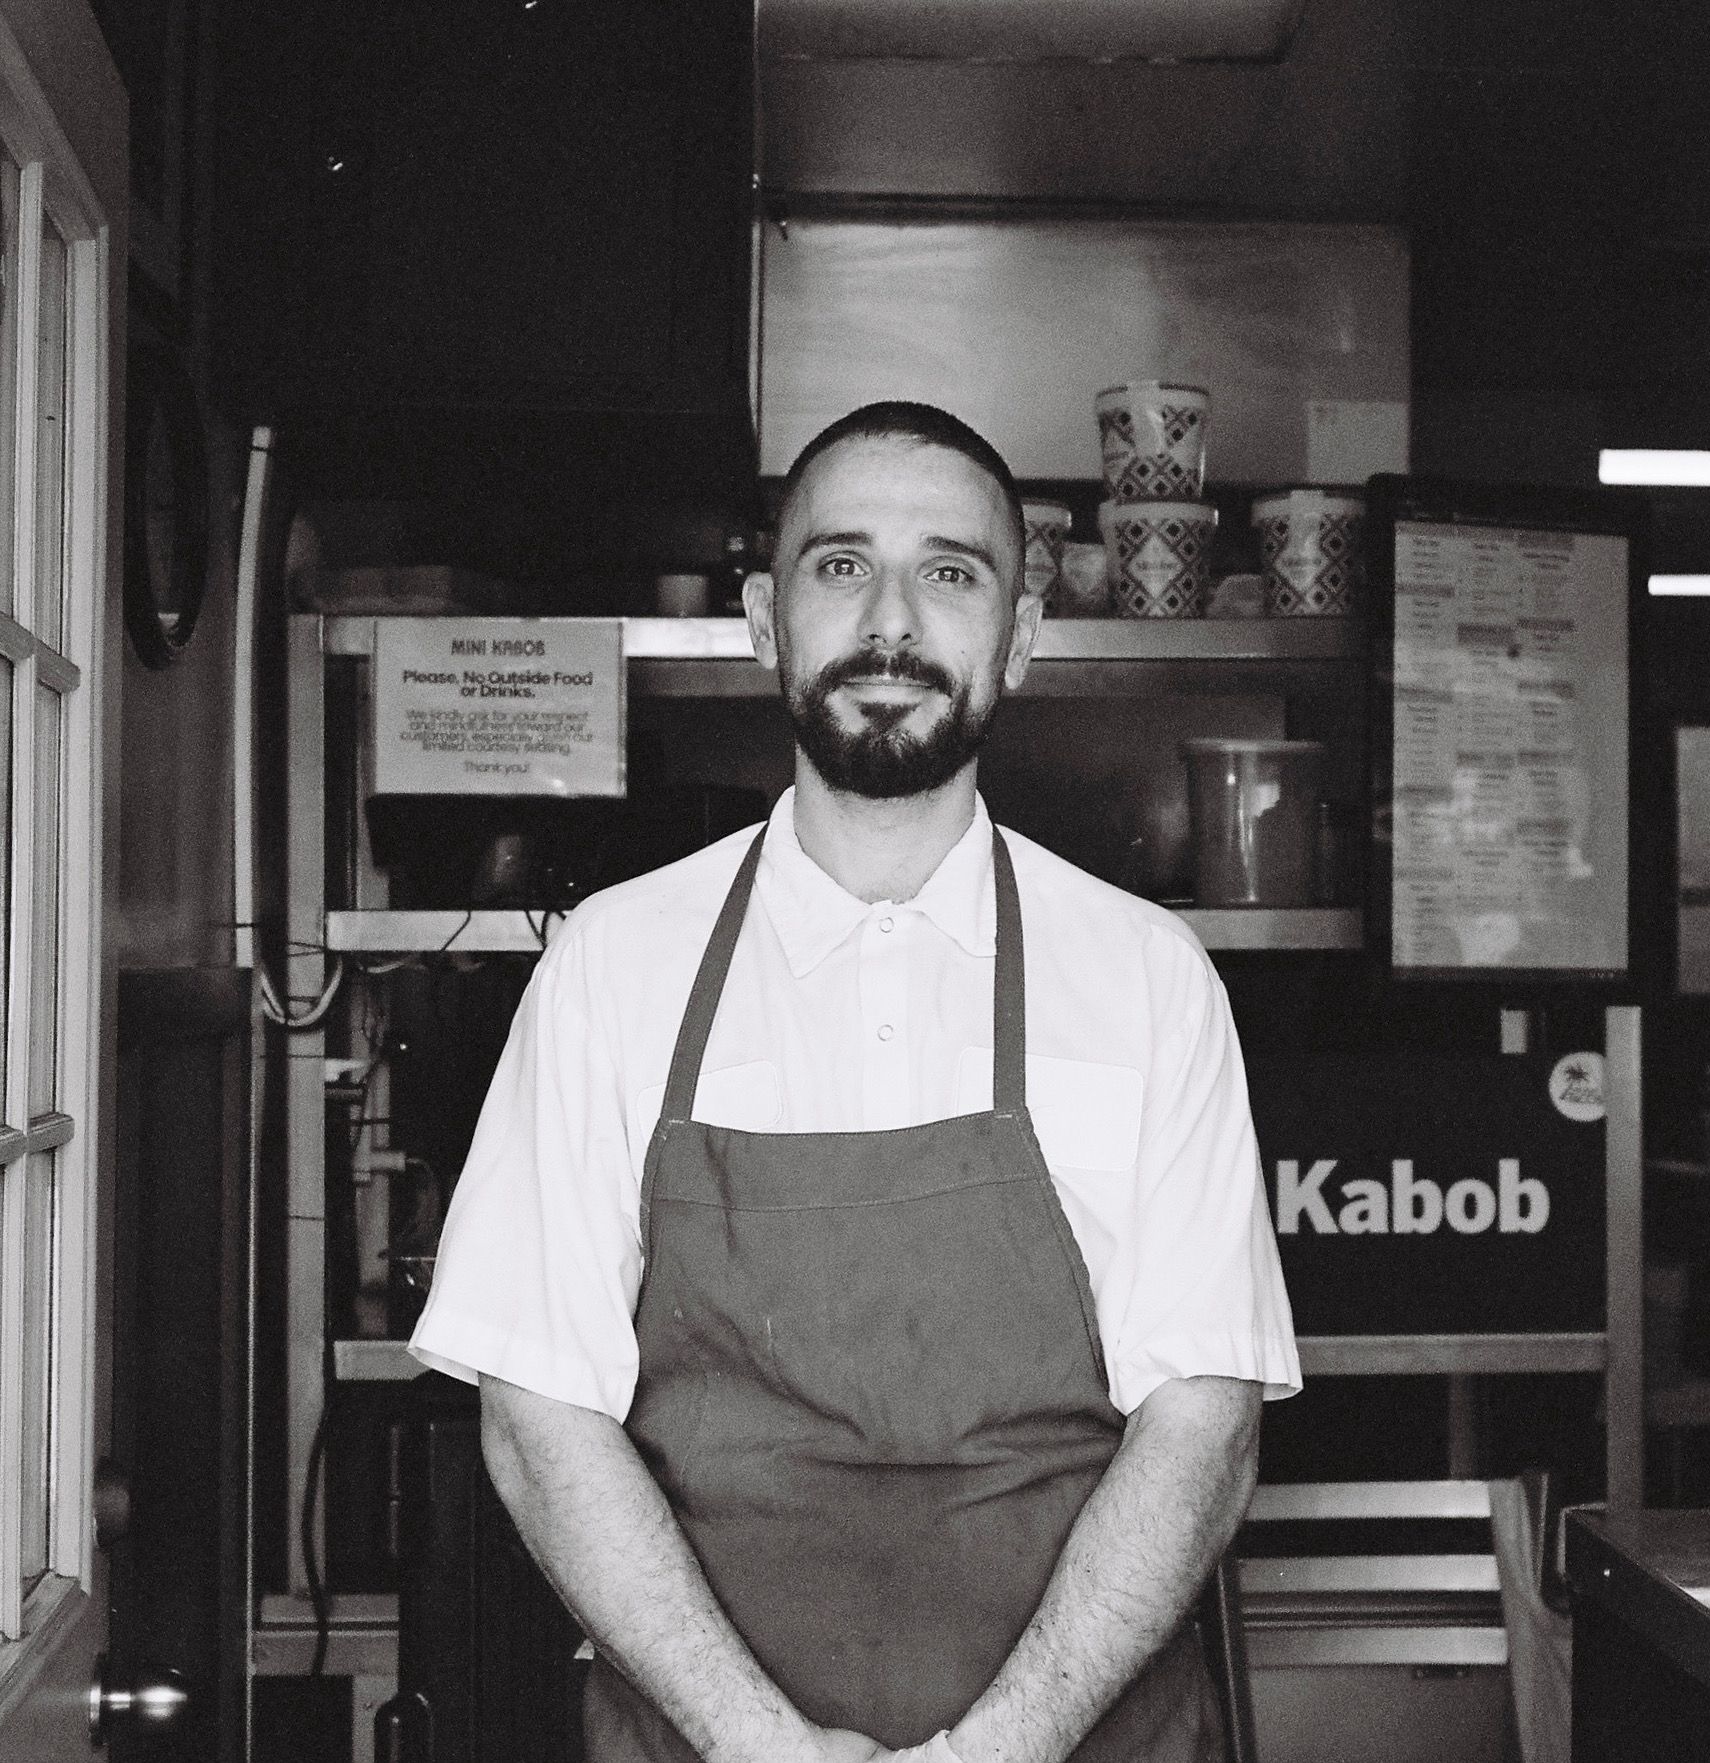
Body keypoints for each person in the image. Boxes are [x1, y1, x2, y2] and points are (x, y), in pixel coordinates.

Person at [410, 401, 1300, 1763]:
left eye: (952, 572)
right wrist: (758, 1745)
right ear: (766, 618)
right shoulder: (613, 966)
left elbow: (1206, 1424)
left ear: (1022, 632)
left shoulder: (1146, 976)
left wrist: (999, 1748)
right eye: (841, 565)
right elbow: (537, 1415)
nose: (892, 621)